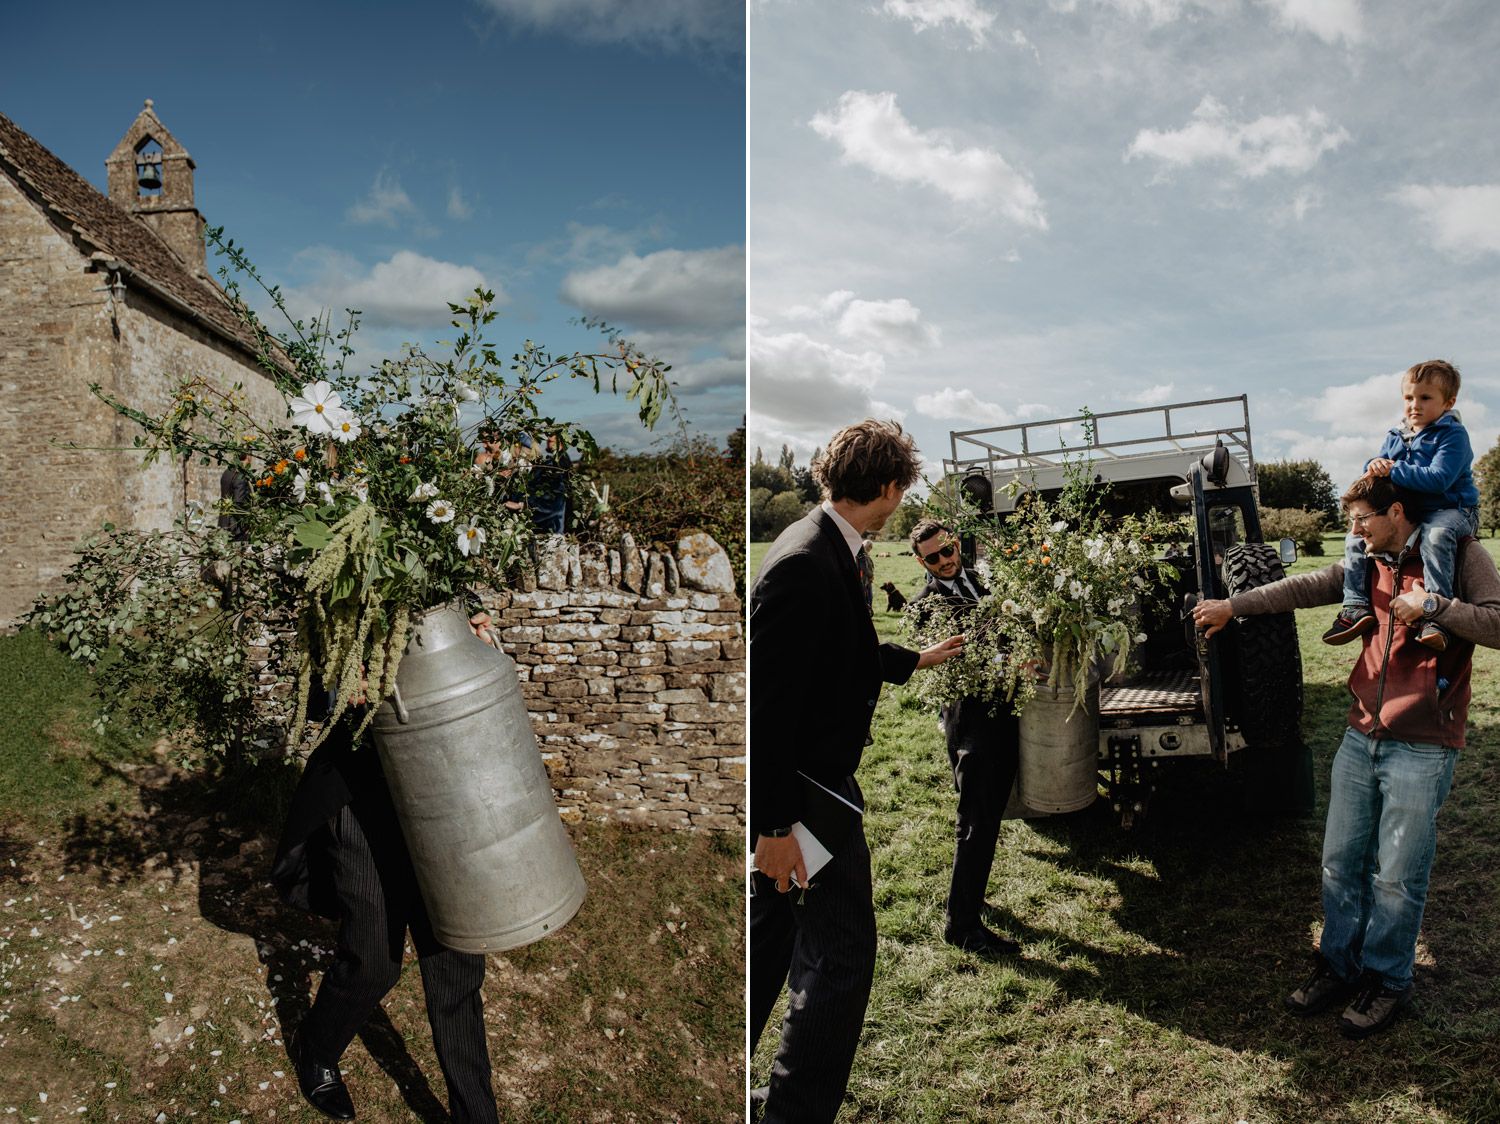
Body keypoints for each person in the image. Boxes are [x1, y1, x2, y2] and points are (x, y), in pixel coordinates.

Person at [1193, 476, 1500, 1039]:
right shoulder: (1367, 559)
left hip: (1425, 743)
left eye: (1362, 519)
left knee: (1396, 878)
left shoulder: (1461, 553)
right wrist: (1233, 605)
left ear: (1397, 510)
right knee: (1339, 862)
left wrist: (1436, 604)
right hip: (1361, 735)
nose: (1353, 532)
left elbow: (1497, 623)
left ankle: (1387, 979)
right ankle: (1338, 965)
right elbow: (1303, 587)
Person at [749, 419, 963, 1124]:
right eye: (906, 486)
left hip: (813, 788)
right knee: (840, 961)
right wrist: (774, 826)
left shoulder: (837, 548)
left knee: (771, 940)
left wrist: (918, 659)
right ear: (892, 486)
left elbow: (841, 651)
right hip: (807, 798)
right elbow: (766, 710)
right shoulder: (803, 562)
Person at [272, 612, 505, 1122]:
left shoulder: (442, 559)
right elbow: (312, 695)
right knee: (375, 960)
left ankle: (476, 1116)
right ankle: (317, 1048)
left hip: (445, 790)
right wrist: (341, 686)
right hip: (362, 798)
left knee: (456, 962)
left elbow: (465, 630)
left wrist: (479, 633)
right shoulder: (342, 578)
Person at [909, 518, 1021, 958]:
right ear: (920, 562)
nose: (944, 560)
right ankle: (961, 925)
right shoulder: (923, 606)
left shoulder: (985, 580)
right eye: (932, 557)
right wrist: (1005, 659)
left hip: (1005, 714)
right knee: (975, 821)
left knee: (989, 816)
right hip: (971, 725)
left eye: (947, 549)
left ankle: (970, 896)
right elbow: (953, 659)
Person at [1325, 360, 1479, 653]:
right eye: (1408, 398)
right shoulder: (1396, 436)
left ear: (1448, 403)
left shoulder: (1452, 434)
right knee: (1355, 538)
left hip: (1453, 511)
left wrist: (1393, 468)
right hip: (1413, 513)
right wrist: (1373, 464)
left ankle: (1436, 616)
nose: (1414, 405)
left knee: (1436, 537)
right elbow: (1378, 478)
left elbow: (1439, 480)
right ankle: (1355, 605)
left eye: (1425, 398)